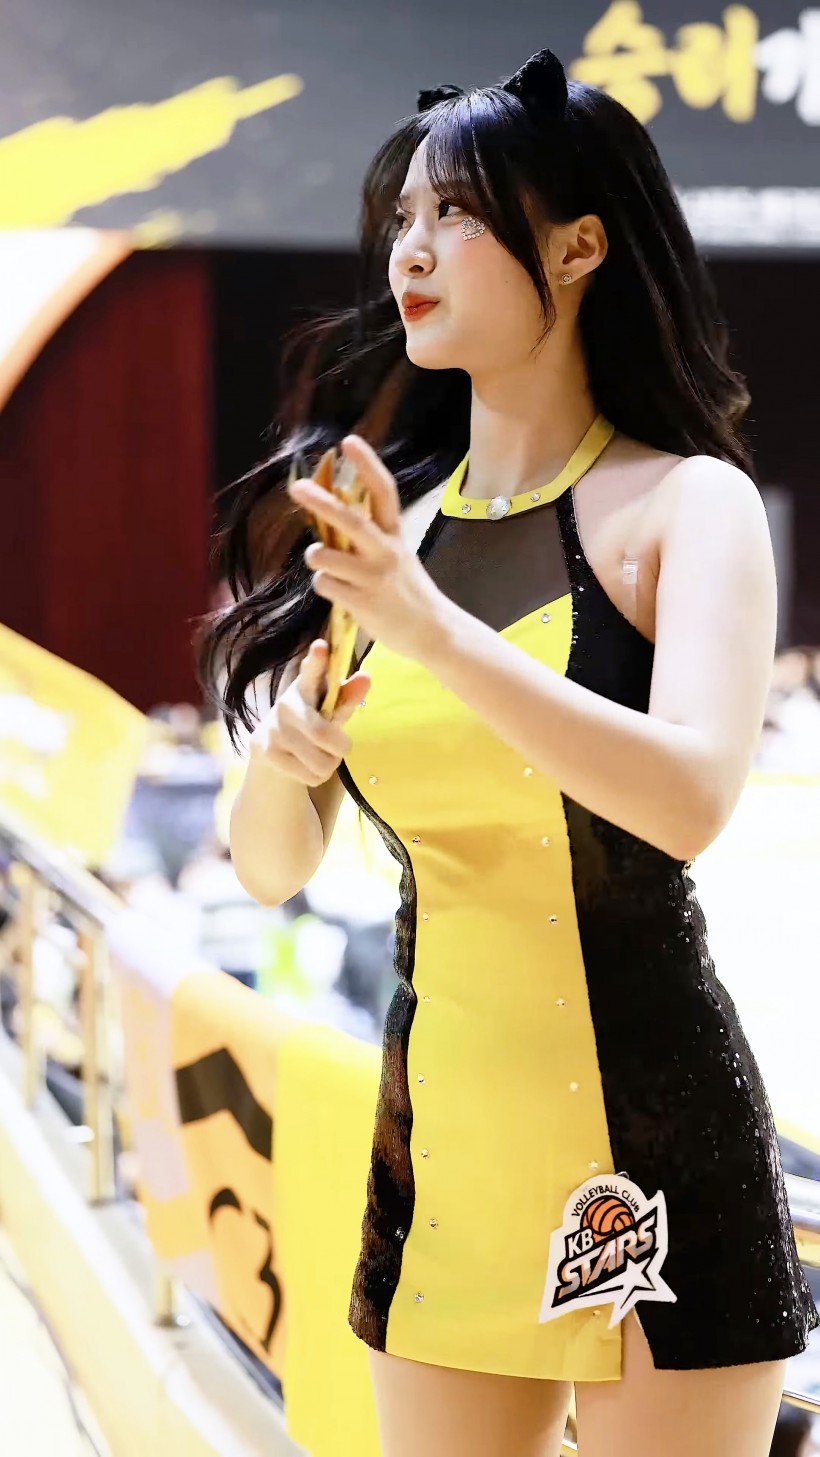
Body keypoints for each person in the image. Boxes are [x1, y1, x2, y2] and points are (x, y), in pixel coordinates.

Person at [199, 47, 819, 1457]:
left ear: (579, 247)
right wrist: (287, 756)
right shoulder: (390, 532)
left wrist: (428, 628)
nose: (409, 252)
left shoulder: (690, 506)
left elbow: (691, 798)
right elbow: (269, 869)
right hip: (444, 1150)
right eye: (404, 219)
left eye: (457, 217)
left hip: (651, 1149)